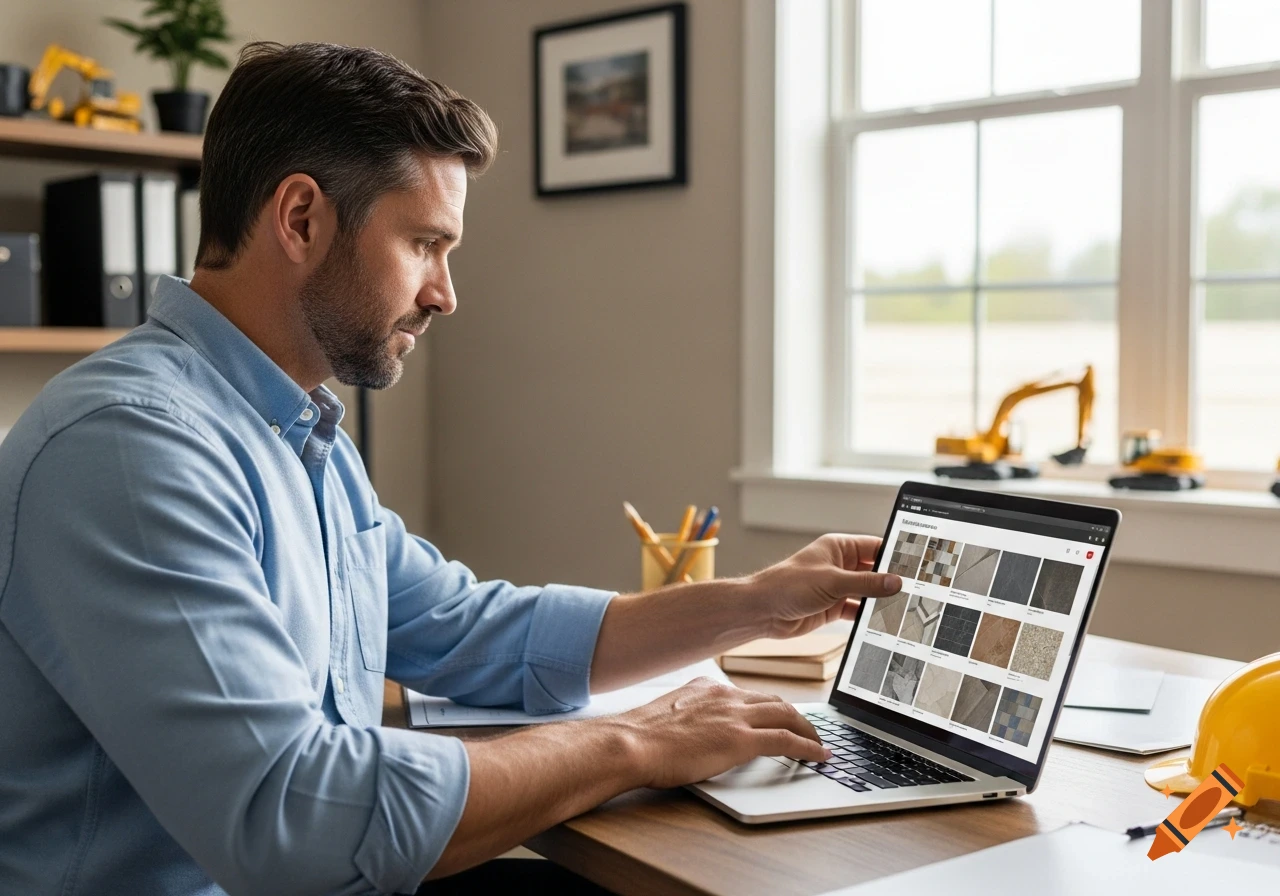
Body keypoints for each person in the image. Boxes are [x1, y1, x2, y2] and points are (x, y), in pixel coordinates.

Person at [0, 42, 902, 896]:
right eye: (426, 244)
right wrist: (636, 744)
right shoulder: (130, 450)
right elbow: (288, 817)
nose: (445, 293)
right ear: (302, 218)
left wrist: (753, 603)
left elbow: (475, 630)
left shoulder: (296, 436)